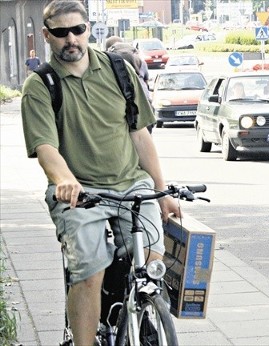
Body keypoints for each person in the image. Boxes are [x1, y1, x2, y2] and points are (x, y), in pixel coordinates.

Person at [20, 1, 180, 344]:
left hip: (131, 184)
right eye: (61, 33)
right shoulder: (40, 86)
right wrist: (64, 179)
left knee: (152, 258)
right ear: (47, 36)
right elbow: (46, 148)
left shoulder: (119, 71)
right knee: (89, 272)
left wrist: (162, 190)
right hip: (80, 194)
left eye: (77, 30)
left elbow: (140, 135)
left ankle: (135, 309)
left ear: (88, 29)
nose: (71, 39)